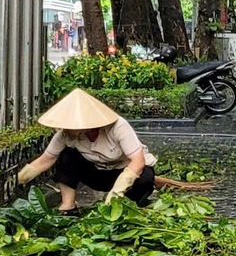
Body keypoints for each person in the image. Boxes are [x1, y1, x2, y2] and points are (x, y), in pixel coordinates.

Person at [17, 89, 158, 210]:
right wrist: (19, 179)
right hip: (99, 174)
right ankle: (68, 206)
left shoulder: (118, 127)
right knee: (67, 156)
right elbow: (47, 159)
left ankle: (131, 207)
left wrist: (116, 193)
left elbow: (138, 161)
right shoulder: (65, 135)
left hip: (125, 172)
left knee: (144, 178)